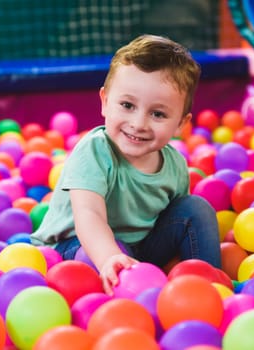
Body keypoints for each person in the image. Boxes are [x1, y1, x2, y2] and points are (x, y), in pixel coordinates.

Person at [31, 34, 221, 294]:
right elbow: (89, 215)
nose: (139, 123)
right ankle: (118, 304)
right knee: (99, 255)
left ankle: (208, 287)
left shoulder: (175, 164)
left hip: (139, 251)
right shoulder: (96, 151)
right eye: (127, 105)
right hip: (73, 247)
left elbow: (173, 224)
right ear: (105, 102)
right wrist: (110, 257)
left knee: (195, 208)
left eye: (158, 114)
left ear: (180, 124)